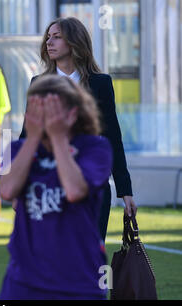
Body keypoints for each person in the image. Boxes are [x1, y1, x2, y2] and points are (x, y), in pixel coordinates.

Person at [19, 17, 137, 241]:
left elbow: (112, 137)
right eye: (48, 37)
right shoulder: (39, 83)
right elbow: (28, 138)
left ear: (74, 42)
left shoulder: (100, 84)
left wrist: (125, 190)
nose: (49, 42)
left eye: (57, 37)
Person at [0, 75, 112, 300]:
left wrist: (58, 137)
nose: (42, 118)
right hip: (24, 282)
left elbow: (74, 191)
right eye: (36, 110)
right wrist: (32, 139)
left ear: (72, 114)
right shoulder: (18, 149)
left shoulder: (94, 148)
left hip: (79, 281)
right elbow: (7, 191)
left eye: (51, 110)